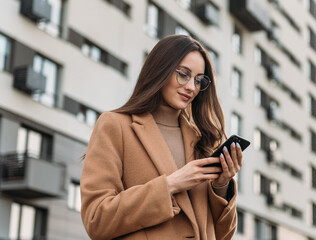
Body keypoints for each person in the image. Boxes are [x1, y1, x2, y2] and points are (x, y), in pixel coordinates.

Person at [80, 35, 243, 240]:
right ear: (160, 70)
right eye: (183, 74)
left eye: (199, 80)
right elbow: (97, 219)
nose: (191, 87)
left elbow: (223, 236)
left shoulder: (202, 140)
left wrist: (222, 186)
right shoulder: (115, 126)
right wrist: (170, 185)